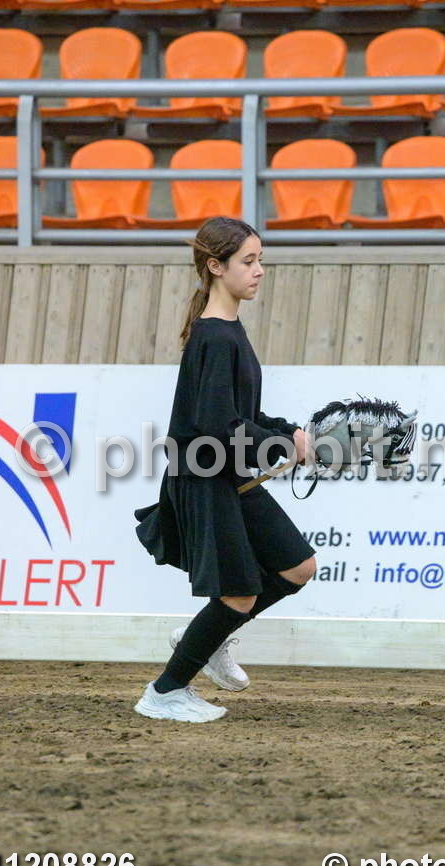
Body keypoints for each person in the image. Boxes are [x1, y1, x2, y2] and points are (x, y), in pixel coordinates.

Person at [134, 216, 317, 723]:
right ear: (216, 267)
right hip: (203, 477)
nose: (259, 271)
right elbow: (217, 425)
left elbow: (241, 415)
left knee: (298, 567)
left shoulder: (229, 330)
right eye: (248, 261)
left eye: (261, 260)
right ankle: (164, 693)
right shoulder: (215, 337)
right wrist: (281, 442)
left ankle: (209, 635)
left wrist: (290, 432)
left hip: (226, 472)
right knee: (238, 593)